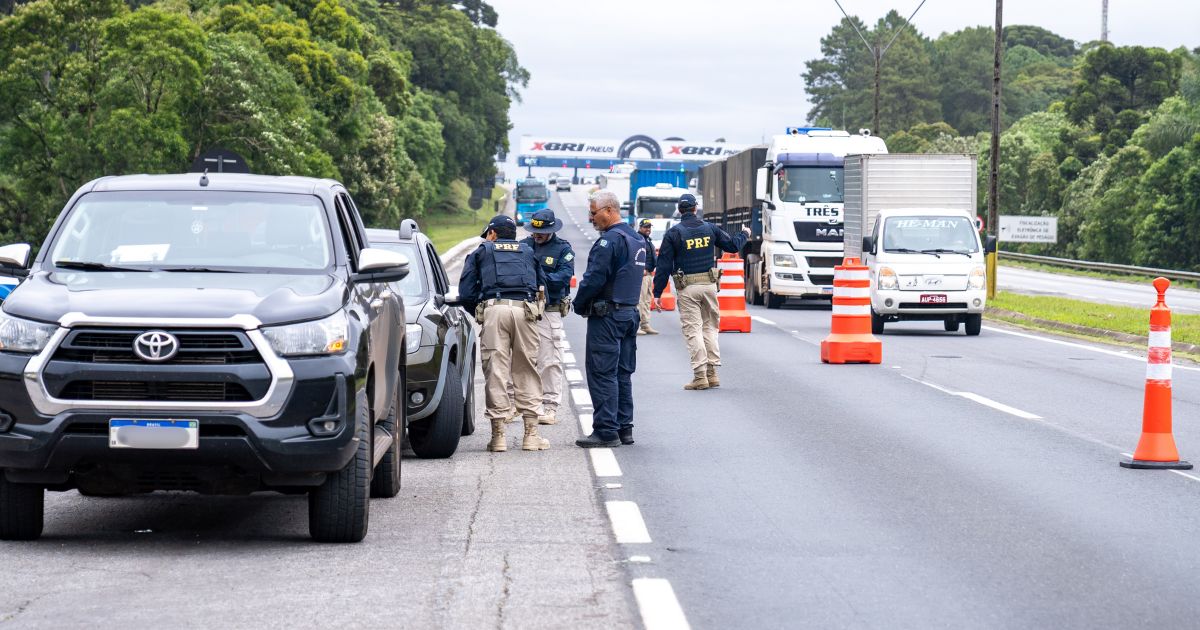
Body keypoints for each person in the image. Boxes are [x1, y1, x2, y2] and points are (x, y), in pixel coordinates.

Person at [458, 215, 550, 452]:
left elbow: (466, 292)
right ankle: (531, 436)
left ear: (492, 234)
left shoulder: (481, 252)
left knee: (496, 371)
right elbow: (543, 288)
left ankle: (498, 437)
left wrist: (482, 310)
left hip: (495, 311)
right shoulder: (528, 252)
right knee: (527, 369)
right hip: (525, 311)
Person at [652, 193, 749, 390]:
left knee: (693, 330)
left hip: (687, 287)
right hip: (710, 286)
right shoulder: (709, 228)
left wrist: (657, 293)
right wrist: (744, 234)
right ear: (695, 208)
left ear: (679, 210)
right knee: (710, 328)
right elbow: (731, 246)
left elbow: (663, 266)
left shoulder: (674, 233)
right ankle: (712, 374)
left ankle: (700, 376)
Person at [574, 190, 646, 448]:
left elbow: (594, 278)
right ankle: (624, 428)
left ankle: (606, 431)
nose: (591, 218)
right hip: (629, 312)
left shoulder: (610, 241)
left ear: (609, 210)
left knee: (602, 372)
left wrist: (579, 303)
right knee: (622, 373)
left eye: (594, 213)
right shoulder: (637, 238)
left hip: (608, 316)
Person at [520, 209, 576, 426]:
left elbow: (563, 277)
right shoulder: (523, 246)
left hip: (549, 310)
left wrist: (536, 278)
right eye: (534, 232)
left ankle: (550, 406)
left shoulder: (563, 249)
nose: (537, 236)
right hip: (525, 308)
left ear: (551, 230)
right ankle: (518, 405)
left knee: (549, 360)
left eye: (541, 232)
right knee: (520, 358)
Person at [636, 219, 659, 335]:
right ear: (640, 227)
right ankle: (636, 326)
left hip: (649, 274)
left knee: (647, 301)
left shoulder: (648, 240)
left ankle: (645, 324)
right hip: (642, 275)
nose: (648, 229)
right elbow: (635, 256)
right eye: (645, 227)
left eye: (649, 227)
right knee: (640, 301)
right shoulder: (637, 239)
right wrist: (641, 269)